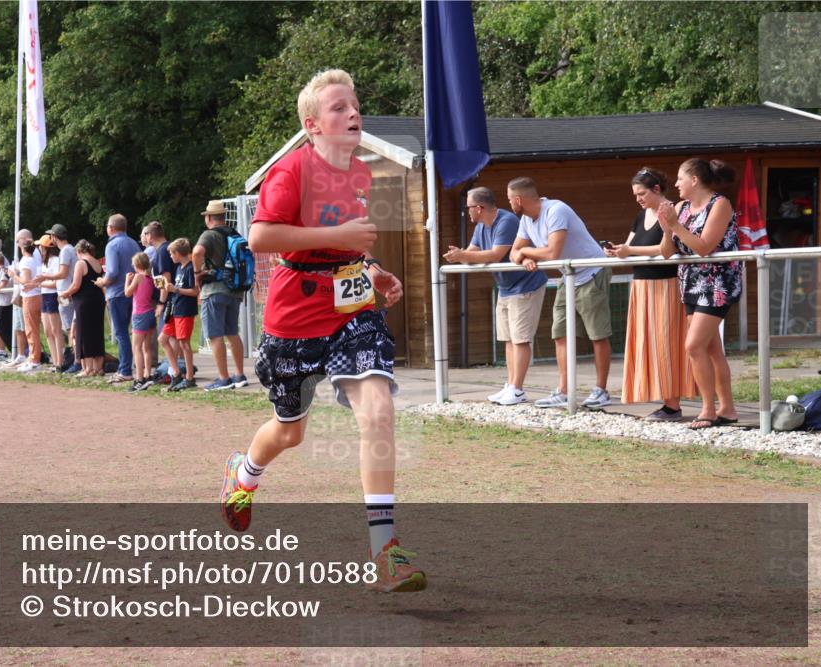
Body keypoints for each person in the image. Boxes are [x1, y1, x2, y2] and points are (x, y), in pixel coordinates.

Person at [219, 69, 424, 592]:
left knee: (378, 411)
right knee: (291, 431)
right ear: (313, 125)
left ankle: (385, 551)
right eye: (339, 107)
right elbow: (262, 236)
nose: (352, 113)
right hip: (293, 318)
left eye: (355, 105)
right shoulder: (290, 171)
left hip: (351, 312)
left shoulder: (360, 174)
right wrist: (339, 234)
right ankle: (243, 475)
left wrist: (372, 269)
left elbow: (347, 244)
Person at [508, 177, 612, 409]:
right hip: (568, 275)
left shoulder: (556, 210)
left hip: (591, 272)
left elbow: (552, 252)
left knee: (597, 334)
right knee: (560, 333)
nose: (509, 204)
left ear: (518, 199)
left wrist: (526, 251)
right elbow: (513, 253)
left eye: (509, 200)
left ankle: (601, 390)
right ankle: (564, 390)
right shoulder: (526, 219)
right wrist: (524, 257)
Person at [605, 167, 696, 420]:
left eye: (642, 193)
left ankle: (673, 404)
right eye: (635, 194)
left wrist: (629, 251)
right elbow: (631, 246)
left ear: (656, 189)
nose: (638, 198)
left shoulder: (673, 209)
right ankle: (663, 399)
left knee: (666, 342)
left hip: (665, 284)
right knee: (648, 343)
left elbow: (667, 248)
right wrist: (618, 251)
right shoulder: (641, 214)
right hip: (642, 284)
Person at [444, 187, 547, 405]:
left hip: (525, 284)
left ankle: (518, 389)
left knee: (520, 339)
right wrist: (460, 255)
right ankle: (511, 385)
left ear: (479, 208)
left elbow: (495, 254)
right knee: (508, 339)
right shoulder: (481, 226)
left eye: (469, 207)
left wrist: (464, 255)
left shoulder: (506, 221)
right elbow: (472, 251)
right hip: (505, 287)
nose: (467, 211)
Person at [658, 158, 742, 430]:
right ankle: (727, 409)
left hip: (717, 283)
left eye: (680, 178)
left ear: (694, 180)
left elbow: (704, 247)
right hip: (691, 283)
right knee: (710, 348)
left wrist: (676, 226)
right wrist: (666, 228)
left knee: (693, 346)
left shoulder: (720, 204)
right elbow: (668, 252)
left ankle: (708, 409)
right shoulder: (680, 207)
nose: (676, 184)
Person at [193, 200, 248, 391]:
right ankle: (240, 375)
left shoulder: (209, 235)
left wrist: (196, 273)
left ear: (208, 218)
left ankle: (224, 379)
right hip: (235, 290)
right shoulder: (235, 234)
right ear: (224, 217)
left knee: (215, 335)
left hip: (214, 290)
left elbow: (197, 251)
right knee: (232, 332)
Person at [95, 213, 140, 384]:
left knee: (121, 333)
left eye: (107, 226)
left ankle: (125, 369)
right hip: (132, 292)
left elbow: (112, 272)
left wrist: (102, 281)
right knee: (129, 332)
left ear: (111, 228)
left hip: (117, 294)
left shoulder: (112, 245)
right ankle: (130, 367)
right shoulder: (134, 243)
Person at [61, 239, 106, 377]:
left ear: (78, 252)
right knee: (97, 333)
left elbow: (76, 285)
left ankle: (87, 369)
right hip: (98, 300)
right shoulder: (97, 262)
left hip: (84, 302)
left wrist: (65, 293)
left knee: (83, 334)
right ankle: (98, 368)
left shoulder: (81, 263)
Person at [161, 238, 199, 392]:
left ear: (177, 253)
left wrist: (175, 290)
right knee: (162, 339)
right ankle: (176, 372)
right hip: (175, 309)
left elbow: (195, 291)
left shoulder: (190, 268)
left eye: (171, 253)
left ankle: (189, 377)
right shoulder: (179, 268)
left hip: (185, 310)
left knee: (184, 343)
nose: (170, 256)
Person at [41, 224, 78, 372]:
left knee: (70, 328)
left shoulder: (65, 251)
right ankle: (71, 361)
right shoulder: (69, 250)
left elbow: (63, 274)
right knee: (68, 327)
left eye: (52, 236)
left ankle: (74, 361)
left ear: (55, 237)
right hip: (65, 292)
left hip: (65, 293)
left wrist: (44, 276)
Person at [146, 220, 178, 382]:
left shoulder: (162, 251)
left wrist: (161, 303)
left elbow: (165, 279)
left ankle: (174, 370)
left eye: (146, 234)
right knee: (171, 336)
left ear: (150, 236)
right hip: (174, 298)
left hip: (170, 300)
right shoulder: (167, 248)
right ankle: (174, 369)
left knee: (168, 336)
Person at [124, 252, 158, 391]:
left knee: (136, 347)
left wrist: (127, 279)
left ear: (137, 264)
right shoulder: (150, 278)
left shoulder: (138, 276)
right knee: (147, 347)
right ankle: (148, 374)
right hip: (150, 312)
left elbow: (127, 293)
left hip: (140, 314)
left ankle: (139, 379)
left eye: (133, 264)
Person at [9, 239, 43, 372]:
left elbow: (26, 282)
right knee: (32, 329)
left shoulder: (26, 261)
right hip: (35, 295)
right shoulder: (34, 260)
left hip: (30, 297)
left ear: (22, 248)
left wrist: (13, 275)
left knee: (31, 329)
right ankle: (33, 357)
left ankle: (35, 359)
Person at [33, 235, 65, 371]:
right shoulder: (43, 263)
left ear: (46, 248)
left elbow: (55, 283)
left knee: (56, 330)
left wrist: (40, 283)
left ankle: (60, 361)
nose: (38, 249)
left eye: (40, 246)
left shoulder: (56, 260)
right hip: (44, 296)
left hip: (52, 296)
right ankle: (54, 360)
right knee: (47, 331)